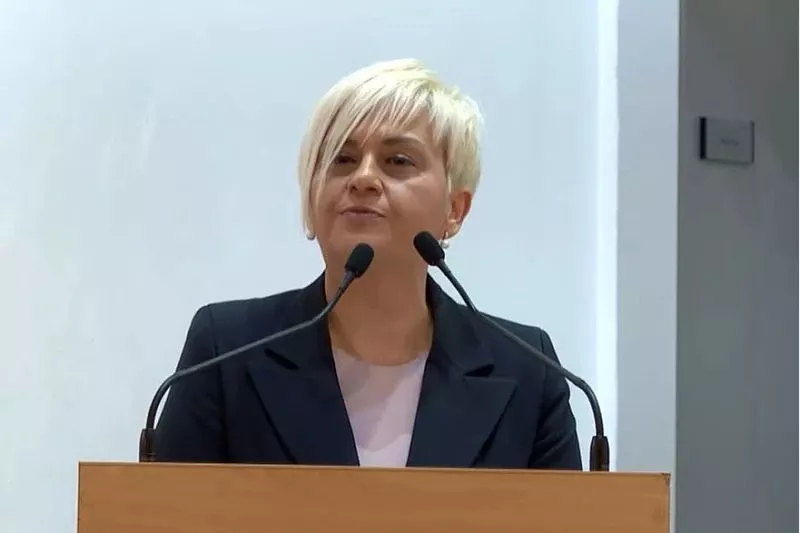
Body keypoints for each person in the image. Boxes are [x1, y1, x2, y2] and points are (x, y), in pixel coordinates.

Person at [154, 58, 582, 470]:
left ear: (455, 209)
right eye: (342, 159)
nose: (362, 178)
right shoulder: (226, 353)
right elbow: (161, 510)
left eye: (398, 161)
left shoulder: (529, 371)